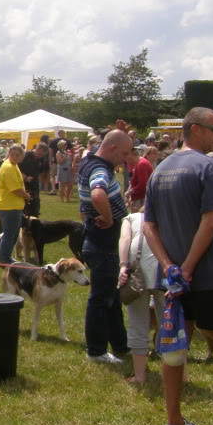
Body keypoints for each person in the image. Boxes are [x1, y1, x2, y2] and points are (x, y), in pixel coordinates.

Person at [143, 107, 213, 425]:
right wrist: (190, 267)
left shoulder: (158, 170)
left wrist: (169, 267)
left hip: (174, 279)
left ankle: (174, 421)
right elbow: (210, 223)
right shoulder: (210, 168)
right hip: (208, 274)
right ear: (195, 129)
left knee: (175, 347)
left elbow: (148, 225)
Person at [78, 129, 133, 364]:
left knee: (111, 297)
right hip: (104, 243)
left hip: (100, 242)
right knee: (101, 299)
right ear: (111, 149)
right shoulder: (100, 169)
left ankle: (121, 344)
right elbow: (98, 194)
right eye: (124, 153)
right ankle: (96, 351)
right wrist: (110, 219)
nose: (126, 159)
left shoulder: (90, 160)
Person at [118, 210, 160, 386]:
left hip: (137, 274)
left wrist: (122, 266)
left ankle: (140, 376)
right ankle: (181, 374)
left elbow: (125, 240)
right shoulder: (166, 215)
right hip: (164, 272)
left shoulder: (131, 218)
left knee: (137, 324)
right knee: (171, 325)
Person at [0, 144, 30, 264]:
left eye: (17, 155)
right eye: (12, 154)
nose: (14, 157)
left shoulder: (13, 165)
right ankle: (5, 259)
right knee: (10, 235)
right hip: (9, 207)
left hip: (10, 206)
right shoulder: (9, 167)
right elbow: (15, 189)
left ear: (22, 157)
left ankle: (3, 256)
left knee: (11, 235)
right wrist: (27, 196)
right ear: (8, 154)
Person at [20, 143, 47, 217]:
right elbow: (15, 169)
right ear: (36, 149)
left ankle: (34, 224)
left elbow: (41, 172)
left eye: (42, 155)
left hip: (34, 186)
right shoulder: (25, 155)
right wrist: (25, 177)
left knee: (35, 207)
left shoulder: (41, 159)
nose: (39, 155)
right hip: (23, 184)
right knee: (23, 207)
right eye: (39, 153)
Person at [126, 145, 153, 212]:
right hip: (138, 198)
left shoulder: (142, 164)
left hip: (141, 199)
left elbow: (143, 184)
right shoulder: (139, 163)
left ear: (130, 155)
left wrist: (129, 192)